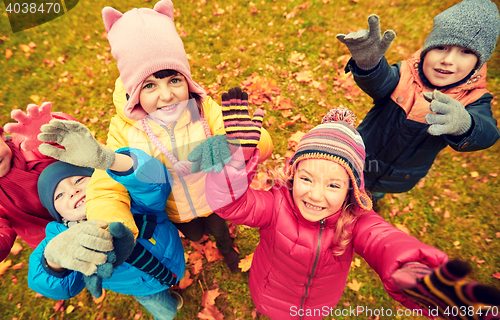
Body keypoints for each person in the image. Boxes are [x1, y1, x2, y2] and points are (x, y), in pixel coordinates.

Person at [203, 89, 500, 319]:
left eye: (333, 185)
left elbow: (384, 241)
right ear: (292, 174)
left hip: (321, 301)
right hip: (269, 291)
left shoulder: (356, 220)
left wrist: (410, 266)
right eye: (307, 179)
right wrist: (236, 161)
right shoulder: (274, 206)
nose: (316, 196)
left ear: (350, 189)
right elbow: (230, 204)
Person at [84, 0, 273, 272]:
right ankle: (200, 239)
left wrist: (243, 143)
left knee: (220, 230)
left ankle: (226, 248)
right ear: (133, 93)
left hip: (214, 199)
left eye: (174, 80)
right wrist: (108, 220)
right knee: (195, 234)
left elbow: (254, 144)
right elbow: (106, 185)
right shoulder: (123, 130)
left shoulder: (205, 111)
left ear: (187, 80)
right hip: (177, 212)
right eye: (149, 85)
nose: (166, 94)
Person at [336, 0, 500, 200]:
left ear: (478, 63)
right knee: (340, 185)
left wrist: (465, 124)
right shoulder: (405, 73)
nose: (448, 60)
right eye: (441, 47)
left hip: (398, 175)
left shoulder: (473, 99)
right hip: (360, 153)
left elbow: (489, 133)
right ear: (427, 49)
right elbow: (379, 83)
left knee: (370, 197)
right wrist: (369, 65)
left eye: (466, 52)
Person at [28, 120, 185, 320]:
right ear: (58, 215)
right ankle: (168, 308)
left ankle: (175, 281)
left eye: (78, 180)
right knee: (166, 311)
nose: (73, 191)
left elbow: (154, 182)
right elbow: (55, 286)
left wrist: (112, 161)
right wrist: (53, 261)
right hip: (140, 288)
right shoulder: (64, 240)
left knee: (178, 274)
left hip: (172, 257)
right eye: (59, 196)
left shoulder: (127, 196)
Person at [0, 102, 77, 260]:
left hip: (83, 198)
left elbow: (74, 142)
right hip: (50, 235)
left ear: (1, 136)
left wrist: (51, 133)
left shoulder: (28, 145)